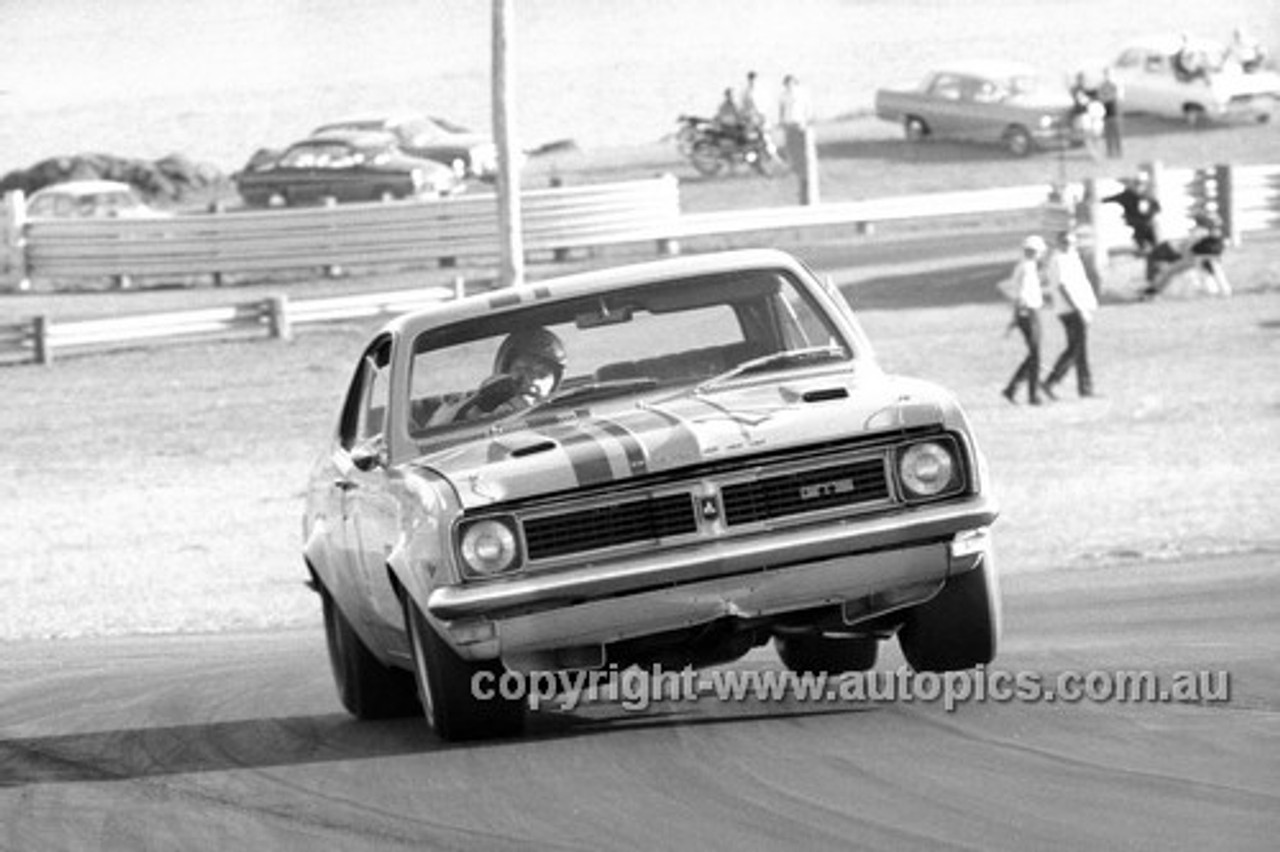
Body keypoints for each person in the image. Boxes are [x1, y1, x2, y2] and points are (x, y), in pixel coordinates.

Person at [427, 327, 566, 425]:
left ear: (555, 383)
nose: (531, 379)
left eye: (542, 374)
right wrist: (478, 406)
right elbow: (434, 436)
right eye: (522, 369)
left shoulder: (563, 417)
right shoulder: (473, 406)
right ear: (504, 369)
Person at [1042, 230, 1099, 400]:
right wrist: (1078, 309)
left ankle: (1084, 387)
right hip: (1070, 310)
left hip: (1078, 308)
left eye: (1072, 242)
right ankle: (1053, 382)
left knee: (1077, 349)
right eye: (1065, 242)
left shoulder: (1072, 257)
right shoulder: (1059, 260)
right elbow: (1063, 286)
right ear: (1059, 242)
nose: (1069, 245)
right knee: (1076, 349)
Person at [1001, 235, 1050, 406]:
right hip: (1029, 312)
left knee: (1034, 354)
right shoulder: (1027, 268)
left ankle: (1013, 389)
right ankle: (1032, 394)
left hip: (1027, 312)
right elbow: (1022, 294)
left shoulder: (1023, 267)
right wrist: (1021, 313)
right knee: (1035, 355)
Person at [1143, 212, 1232, 298]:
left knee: (1172, 271)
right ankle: (1216, 290)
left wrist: (1185, 256)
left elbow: (1188, 246)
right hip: (1194, 255)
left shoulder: (1202, 231)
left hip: (1190, 255)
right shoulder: (1210, 232)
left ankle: (1154, 290)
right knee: (1205, 271)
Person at [1102, 177, 1162, 280]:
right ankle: (1151, 271)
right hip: (1139, 227)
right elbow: (1108, 199)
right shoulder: (1126, 196)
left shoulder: (1147, 197)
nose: (1138, 189)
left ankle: (1154, 271)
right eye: (1136, 187)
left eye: (1140, 187)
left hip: (1147, 227)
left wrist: (1150, 214)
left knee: (1154, 250)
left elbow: (1157, 208)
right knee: (1145, 248)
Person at [777, 74, 812, 170]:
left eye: (790, 82)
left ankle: (805, 164)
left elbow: (807, 106)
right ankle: (793, 165)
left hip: (799, 123)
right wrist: (781, 121)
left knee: (802, 145)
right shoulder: (783, 95)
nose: (789, 85)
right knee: (790, 146)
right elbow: (781, 109)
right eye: (787, 83)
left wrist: (806, 120)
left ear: (795, 82)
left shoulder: (801, 93)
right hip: (788, 123)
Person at [1096, 68, 1124, 159]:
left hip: (1115, 112)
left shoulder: (1115, 84)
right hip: (1106, 112)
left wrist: (1107, 97)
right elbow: (1100, 97)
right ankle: (1110, 151)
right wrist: (1108, 97)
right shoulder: (1102, 85)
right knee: (1108, 134)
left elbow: (1118, 96)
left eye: (1109, 74)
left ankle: (1119, 151)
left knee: (1117, 133)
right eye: (1106, 74)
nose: (1107, 76)